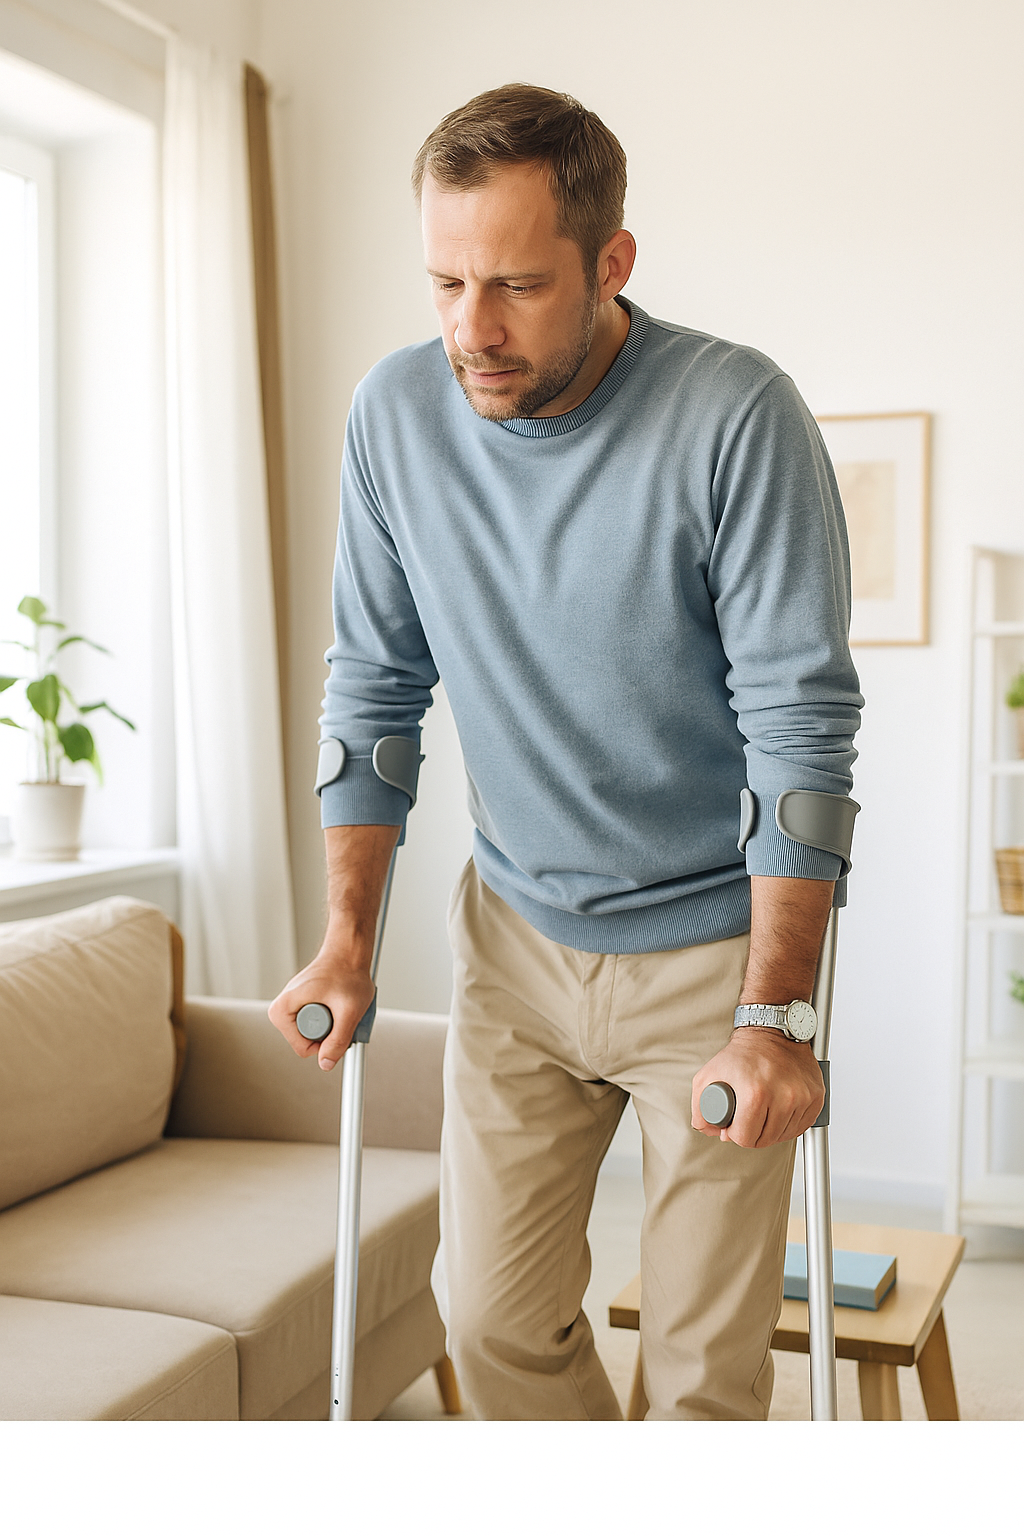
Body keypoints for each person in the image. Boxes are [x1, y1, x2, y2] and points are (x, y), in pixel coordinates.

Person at [269, 83, 863, 1421]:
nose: (471, 331)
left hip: (712, 954)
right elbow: (373, 684)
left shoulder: (734, 413)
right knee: (487, 1321)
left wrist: (774, 1015)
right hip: (516, 942)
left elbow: (799, 726)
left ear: (611, 264)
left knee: (704, 1373)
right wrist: (346, 940)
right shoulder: (395, 416)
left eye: (518, 287)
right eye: (445, 283)